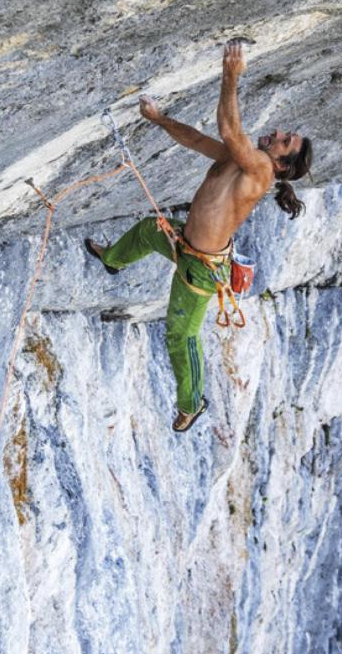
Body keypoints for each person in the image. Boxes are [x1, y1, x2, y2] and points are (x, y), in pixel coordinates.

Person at [86, 40, 313, 431]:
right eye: (284, 133)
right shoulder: (239, 160)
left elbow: (228, 128)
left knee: (181, 335)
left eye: (284, 139)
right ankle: (113, 259)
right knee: (146, 231)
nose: (277, 132)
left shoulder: (260, 171)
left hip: (201, 270)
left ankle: (192, 403)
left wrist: (230, 74)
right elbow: (194, 139)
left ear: (281, 162)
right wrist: (158, 120)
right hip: (188, 244)